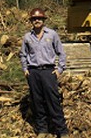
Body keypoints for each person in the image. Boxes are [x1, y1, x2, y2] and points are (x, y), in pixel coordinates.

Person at [20, 8, 69, 138]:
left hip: (48, 71)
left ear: (43, 20)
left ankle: (62, 131)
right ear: (31, 21)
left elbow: (61, 53)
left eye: (39, 18)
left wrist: (59, 69)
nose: (37, 21)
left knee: (53, 101)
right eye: (34, 19)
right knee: (37, 101)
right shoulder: (27, 37)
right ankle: (43, 130)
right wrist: (25, 70)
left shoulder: (52, 34)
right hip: (33, 72)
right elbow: (23, 55)